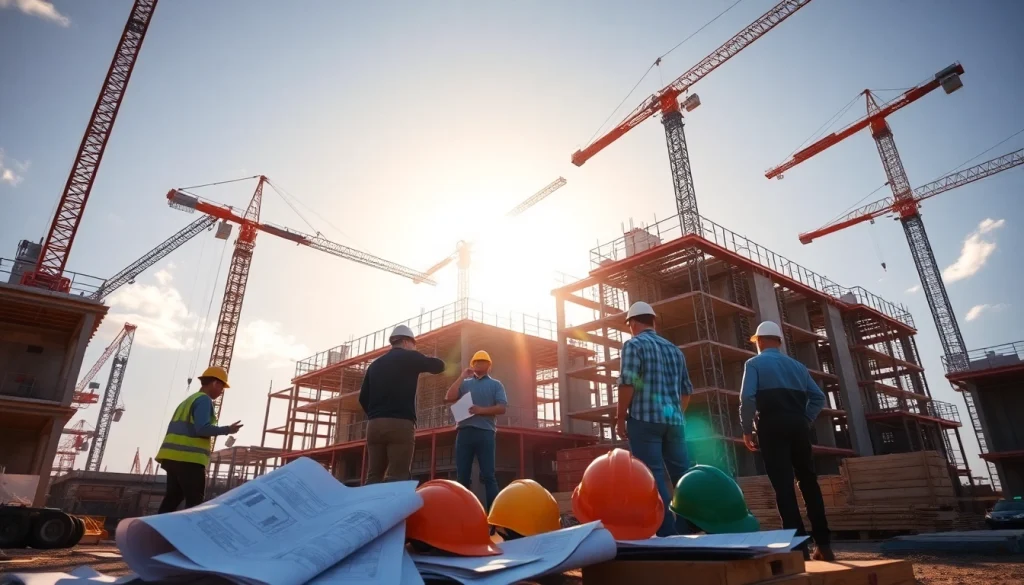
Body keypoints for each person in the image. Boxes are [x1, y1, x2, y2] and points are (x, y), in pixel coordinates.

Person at [739, 320, 834, 561]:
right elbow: (818, 397)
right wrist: (805, 419)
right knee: (809, 482)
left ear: (759, 341)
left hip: (771, 426)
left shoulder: (754, 363)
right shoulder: (798, 367)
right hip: (798, 426)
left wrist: (746, 429)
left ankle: (798, 548)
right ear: (779, 341)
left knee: (784, 487)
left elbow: (748, 398)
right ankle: (823, 545)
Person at [615, 301, 693, 537]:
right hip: (674, 421)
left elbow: (627, 382)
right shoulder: (675, 350)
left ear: (633, 323)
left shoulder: (633, 345)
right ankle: (689, 526)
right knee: (682, 474)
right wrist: (675, 414)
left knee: (652, 475)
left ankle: (667, 532)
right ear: (653, 321)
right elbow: (686, 391)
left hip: (644, 420)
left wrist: (620, 418)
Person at [359, 324, 447, 483]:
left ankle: (370, 508)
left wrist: (375, 415)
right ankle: (394, 508)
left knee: (373, 476)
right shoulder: (410, 357)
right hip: (400, 424)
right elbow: (439, 366)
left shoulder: (374, 365)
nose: (414, 348)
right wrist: (421, 358)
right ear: (407, 342)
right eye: (414, 344)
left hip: (374, 425)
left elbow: (362, 398)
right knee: (397, 476)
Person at [156, 366, 243, 513]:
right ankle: (190, 535)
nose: (221, 392)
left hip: (171, 458)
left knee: (173, 498)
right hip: (189, 459)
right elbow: (202, 429)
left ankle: (154, 532)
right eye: (222, 387)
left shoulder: (188, 400)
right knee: (194, 502)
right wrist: (228, 429)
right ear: (215, 383)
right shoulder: (203, 400)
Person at [444, 350, 507, 512]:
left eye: (483, 361)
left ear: (489, 366)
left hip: (485, 433)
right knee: (462, 476)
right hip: (464, 433)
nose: (479, 364)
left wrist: (480, 410)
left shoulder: (496, 385)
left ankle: (494, 515)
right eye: (476, 362)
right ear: (472, 365)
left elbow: (501, 408)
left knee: (488, 476)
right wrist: (462, 376)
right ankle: (462, 514)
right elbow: (449, 396)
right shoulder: (465, 384)